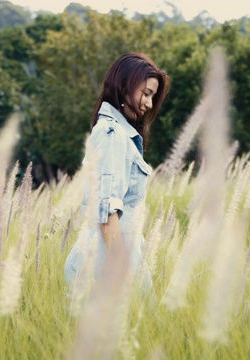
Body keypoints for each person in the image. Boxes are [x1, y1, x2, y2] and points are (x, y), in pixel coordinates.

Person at [64, 53, 170, 290]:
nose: (150, 105)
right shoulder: (113, 135)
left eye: (153, 97)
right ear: (124, 86)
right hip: (104, 264)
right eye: (146, 94)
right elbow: (107, 210)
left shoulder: (118, 134)